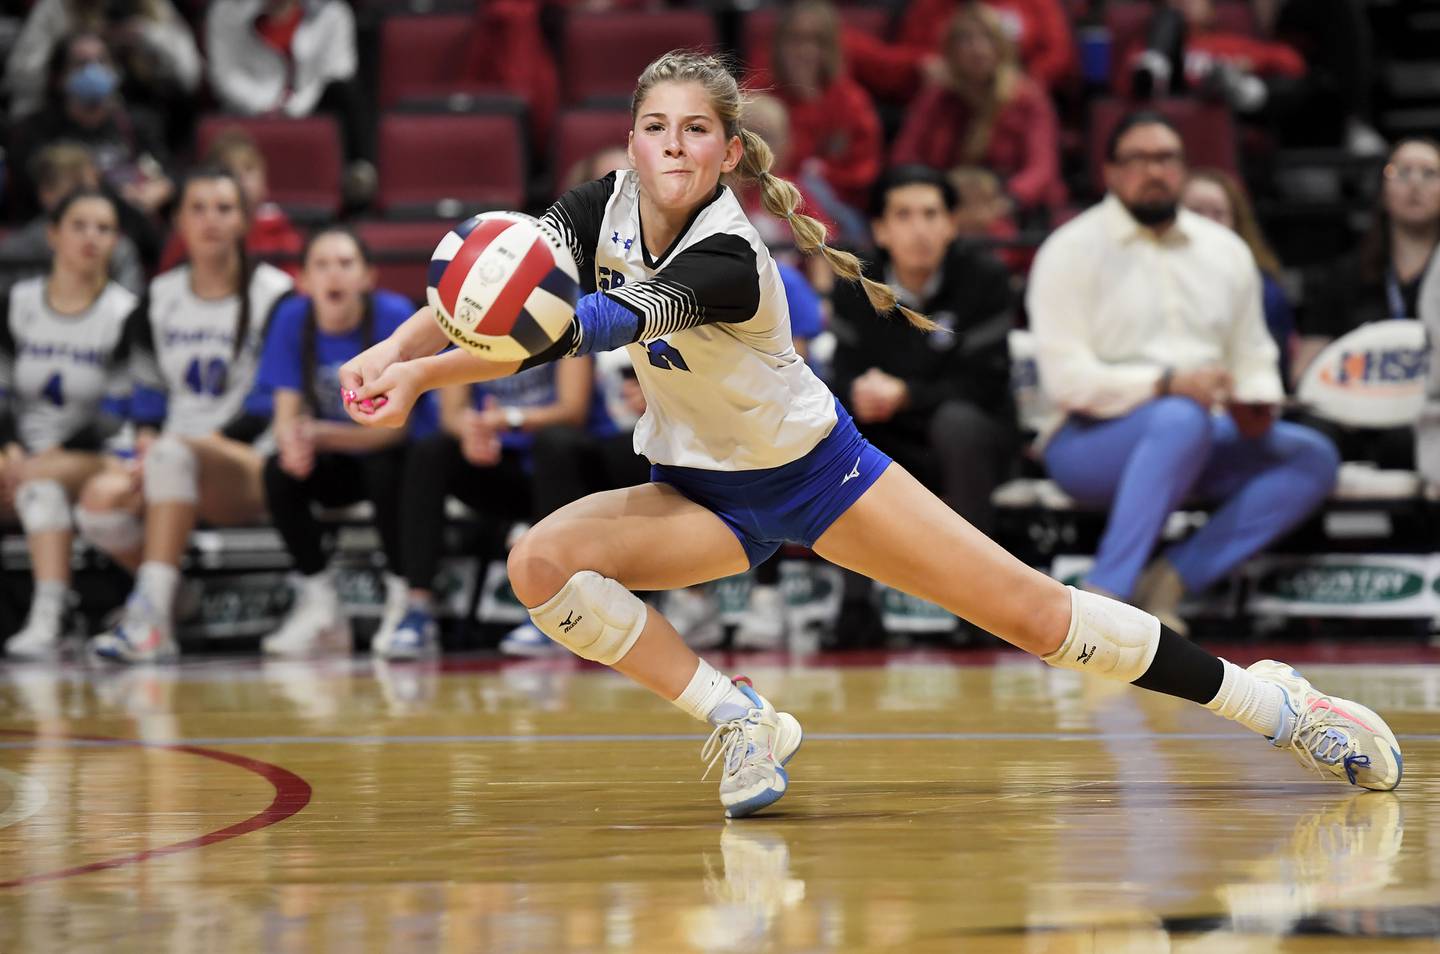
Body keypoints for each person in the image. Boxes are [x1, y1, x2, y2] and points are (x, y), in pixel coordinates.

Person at [340, 55, 1401, 817]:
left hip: (819, 476)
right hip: (695, 488)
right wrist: (390, 355)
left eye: (695, 130)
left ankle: (1279, 706)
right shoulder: (597, 204)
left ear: (725, 152)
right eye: (655, 126)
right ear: (631, 139)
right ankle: (741, 716)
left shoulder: (728, 258)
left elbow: (572, 330)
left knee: (1036, 618)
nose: (672, 145)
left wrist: (421, 371)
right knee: (542, 563)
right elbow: (494, 292)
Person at [1028, 111, 1339, 636]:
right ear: (1110, 172)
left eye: (1167, 159)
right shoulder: (1069, 250)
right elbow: (1067, 380)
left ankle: (1169, 581)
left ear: (1184, 168)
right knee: (1179, 417)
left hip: (1206, 430)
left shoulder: (1225, 251)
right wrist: (1164, 385)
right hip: (1088, 441)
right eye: (1139, 160)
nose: (1155, 171)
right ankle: (1105, 599)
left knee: (1311, 457)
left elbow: (1253, 356)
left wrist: (1256, 402)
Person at [75, 166, 294, 663]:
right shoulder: (159, 296)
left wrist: (184, 447)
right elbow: (149, 398)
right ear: (178, 221)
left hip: (246, 461)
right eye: (197, 208)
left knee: (171, 457)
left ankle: (148, 625)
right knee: (96, 504)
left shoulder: (275, 293)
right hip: (173, 458)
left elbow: (268, 402)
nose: (210, 220)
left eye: (223, 208)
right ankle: (177, 599)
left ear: (244, 220)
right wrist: (149, 443)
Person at [832, 165, 1016, 538]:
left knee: (957, 423)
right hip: (891, 435)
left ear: (951, 224)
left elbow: (984, 384)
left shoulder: (986, 280)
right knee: (841, 426)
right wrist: (861, 392)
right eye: (904, 215)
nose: (920, 229)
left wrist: (906, 395)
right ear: (881, 230)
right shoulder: (855, 287)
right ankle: (855, 594)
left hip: (975, 442)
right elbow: (843, 374)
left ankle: (972, 584)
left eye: (931, 214)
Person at [257, 226, 416, 657]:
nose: (334, 276)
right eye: (321, 265)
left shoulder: (392, 316)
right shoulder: (292, 318)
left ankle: (402, 597)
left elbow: (397, 428)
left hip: (384, 449)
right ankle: (319, 600)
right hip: (333, 457)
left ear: (368, 277)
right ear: (304, 280)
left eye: (346, 264)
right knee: (278, 470)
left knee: (392, 470)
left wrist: (323, 434)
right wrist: (295, 445)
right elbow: (285, 417)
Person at [381, 357, 599, 659]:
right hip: (496, 469)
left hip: (557, 474)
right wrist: (473, 431)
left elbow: (573, 410)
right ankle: (418, 608)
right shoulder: (470, 321)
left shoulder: (563, 316)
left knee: (556, 443)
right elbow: (452, 412)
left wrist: (509, 418)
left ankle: (555, 613)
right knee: (430, 451)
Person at [1, 189, 134, 658]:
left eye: (104, 229)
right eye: (79, 225)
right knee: (38, 489)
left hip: (96, 453)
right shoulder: (17, 302)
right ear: (53, 234)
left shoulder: (124, 311)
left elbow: (118, 407)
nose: (91, 238)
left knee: (38, 480)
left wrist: (50, 459)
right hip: (25, 452)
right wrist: (10, 443)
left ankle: (48, 615)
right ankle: (50, 613)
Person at [1295, 138, 1440, 469]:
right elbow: (1307, 366)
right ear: (1383, 190)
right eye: (1401, 172)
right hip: (1355, 415)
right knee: (1313, 435)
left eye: (1429, 173)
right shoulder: (1344, 274)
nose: (1414, 183)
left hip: (1430, 414)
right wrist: (1340, 402)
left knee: (1404, 442)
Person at [4, 28, 173, 259]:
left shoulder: (140, 124)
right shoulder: (32, 131)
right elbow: (34, 196)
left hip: (129, 232)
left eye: (101, 61)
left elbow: (168, 172)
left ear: (115, 70)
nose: (93, 71)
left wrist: (162, 188)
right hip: (53, 239)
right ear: (61, 76)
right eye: (81, 64)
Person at [891, 3, 1066, 220]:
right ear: (950, 51)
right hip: (944, 204)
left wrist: (1004, 202)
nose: (978, 49)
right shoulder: (936, 98)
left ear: (1002, 47)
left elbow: (1041, 169)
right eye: (966, 40)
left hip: (1015, 209)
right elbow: (904, 158)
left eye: (987, 39)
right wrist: (935, 196)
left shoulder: (1027, 98)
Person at [204, 0, 374, 201]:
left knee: (348, 94)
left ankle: (358, 176)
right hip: (248, 111)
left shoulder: (332, 12)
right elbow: (225, 77)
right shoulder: (226, 11)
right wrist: (269, 105)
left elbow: (338, 72)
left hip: (313, 104)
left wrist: (293, 105)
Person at [763, 0, 883, 215]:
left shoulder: (851, 101)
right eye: (795, 40)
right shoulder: (760, 96)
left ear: (832, 47)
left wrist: (825, 173)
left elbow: (864, 173)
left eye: (817, 41)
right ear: (779, 44)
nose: (805, 51)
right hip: (771, 202)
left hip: (835, 210)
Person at [1181, 167, 1294, 387]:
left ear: (1236, 220)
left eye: (1218, 213)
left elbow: (1273, 365)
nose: (1208, 223)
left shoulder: (1264, 287)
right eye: (1196, 212)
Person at [0, 141, 143, 294]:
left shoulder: (119, 250)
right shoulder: (14, 251)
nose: (88, 197)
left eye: (93, 187)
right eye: (77, 187)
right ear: (46, 192)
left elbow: (130, 309)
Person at [157, 129, 304, 276]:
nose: (241, 178)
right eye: (229, 170)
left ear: (265, 182)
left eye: (248, 168)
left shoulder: (284, 234)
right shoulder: (189, 235)